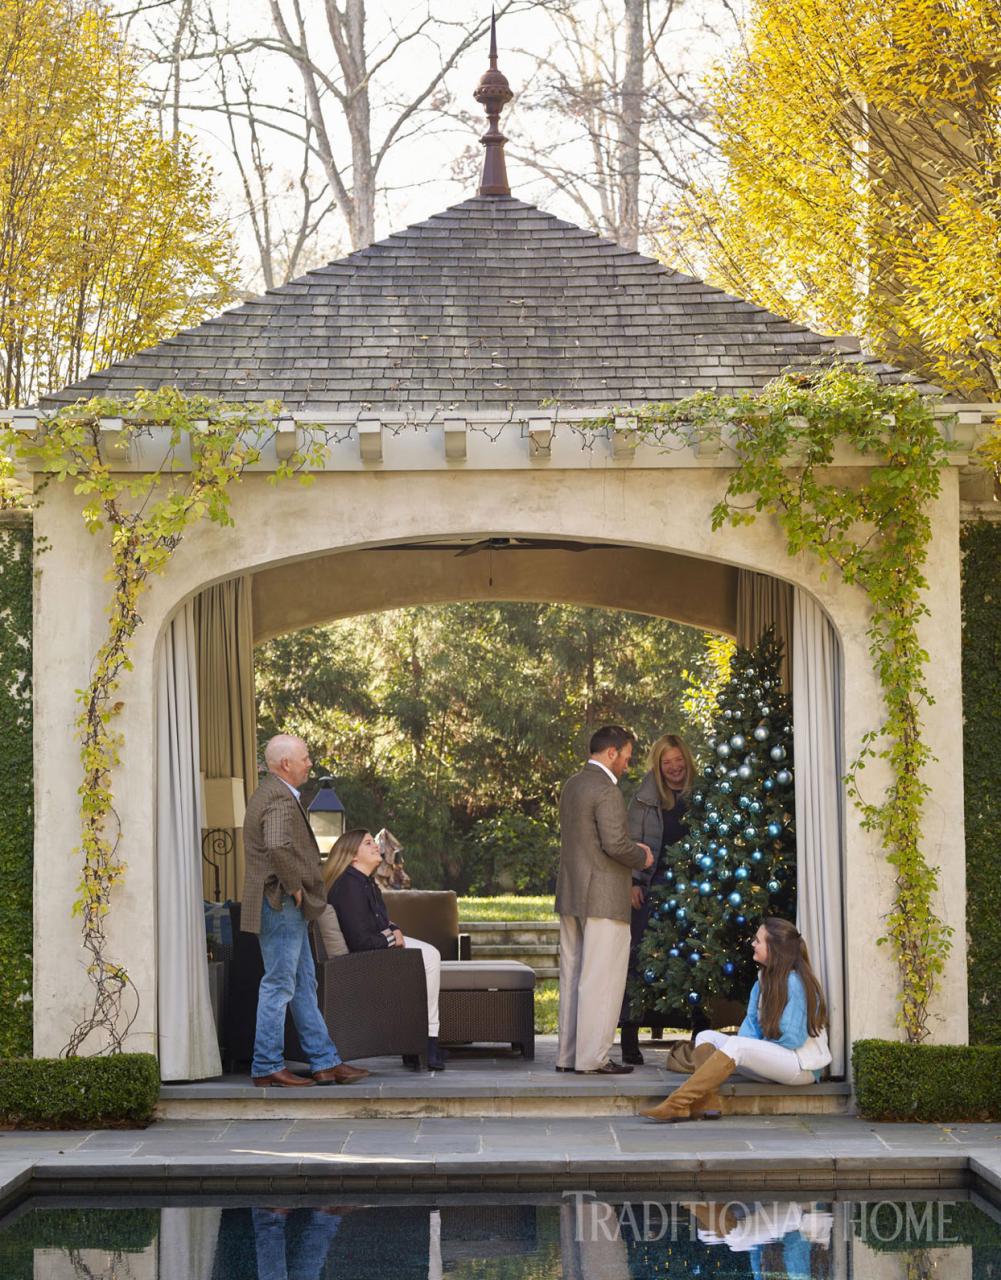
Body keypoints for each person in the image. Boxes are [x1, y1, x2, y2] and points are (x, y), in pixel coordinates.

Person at [242, 734, 369, 1087]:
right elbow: (278, 845)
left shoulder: (273, 793)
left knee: (302, 985)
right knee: (280, 984)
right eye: (305, 758)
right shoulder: (280, 799)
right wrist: (296, 886)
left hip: (281, 903)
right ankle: (266, 1065)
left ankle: (325, 1062)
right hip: (281, 903)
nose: (310, 763)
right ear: (286, 764)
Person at [640, 916, 831, 1122]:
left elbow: (792, 1038)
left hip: (800, 1066)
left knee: (738, 1046)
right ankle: (707, 1104)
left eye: (758, 941)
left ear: (774, 948)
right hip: (773, 1062)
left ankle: (677, 1103)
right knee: (706, 1037)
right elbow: (749, 1027)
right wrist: (755, 1050)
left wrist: (756, 1048)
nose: (753, 944)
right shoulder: (762, 982)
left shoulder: (795, 982)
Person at [555, 725, 653, 1075]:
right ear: (611, 753)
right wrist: (642, 856)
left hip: (571, 893)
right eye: (626, 757)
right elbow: (615, 845)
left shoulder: (572, 785)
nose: (627, 765)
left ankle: (568, 1056)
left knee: (573, 974)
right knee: (601, 978)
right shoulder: (607, 790)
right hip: (604, 896)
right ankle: (593, 1058)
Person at [325, 828, 447, 1070]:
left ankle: (417, 1042)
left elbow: (379, 920)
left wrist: (393, 929)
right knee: (430, 957)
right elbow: (360, 941)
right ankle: (428, 1040)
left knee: (428, 957)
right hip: (363, 960)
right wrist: (393, 938)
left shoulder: (365, 882)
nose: (375, 846)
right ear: (352, 856)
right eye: (368, 843)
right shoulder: (349, 887)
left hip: (379, 949)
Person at [620, 733, 696, 1064]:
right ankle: (629, 1037)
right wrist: (634, 882)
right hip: (654, 884)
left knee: (697, 958)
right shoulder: (643, 800)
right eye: (668, 763)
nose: (674, 768)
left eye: (679, 761)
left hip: (694, 887)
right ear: (658, 765)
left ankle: (700, 1036)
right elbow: (632, 842)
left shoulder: (702, 794)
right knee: (637, 958)